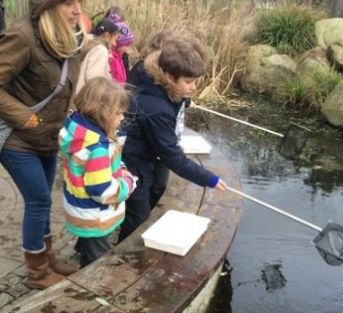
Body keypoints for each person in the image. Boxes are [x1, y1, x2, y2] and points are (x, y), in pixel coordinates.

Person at [0, 0, 85, 289]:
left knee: (43, 198)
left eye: (81, 2)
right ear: (47, 5)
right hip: (17, 137)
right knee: (38, 200)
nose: (77, 10)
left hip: (48, 136)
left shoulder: (69, 39)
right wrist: (24, 117)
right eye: (68, 3)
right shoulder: (23, 36)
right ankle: (37, 273)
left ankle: (47, 258)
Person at [118, 31, 227, 243]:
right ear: (168, 77)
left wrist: (182, 98)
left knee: (146, 201)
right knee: (138, 217)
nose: (194, 87)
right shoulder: (157, 109)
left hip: (143, 154)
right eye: (188, 82)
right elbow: (174, 158)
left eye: (195, 81)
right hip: (132, 161)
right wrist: (209, 179)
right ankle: (120, 257)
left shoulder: (156, 80)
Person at [59, 77, 137, 268]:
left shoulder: (78, 130)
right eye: (119, 114)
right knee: (97, 260)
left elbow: (104, 165)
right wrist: (129, 183)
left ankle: (81, 247)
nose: (122, 118)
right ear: (103, 114)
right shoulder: (97, 148)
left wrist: (121, 168)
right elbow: (103, 192)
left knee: (88, 241)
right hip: (95, 217)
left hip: (79, 207)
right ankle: (87, 285)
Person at [75, 18, 119, 94]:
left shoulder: (87, 44)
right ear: (107, 35)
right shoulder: (100, 50)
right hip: (86, 99)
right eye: (114, 39)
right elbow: (94, 80)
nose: (115, 44)